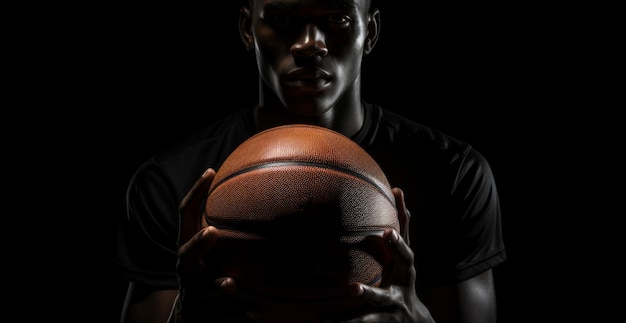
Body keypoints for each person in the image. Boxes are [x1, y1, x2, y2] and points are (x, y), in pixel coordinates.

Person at [113, 0, 507, 322]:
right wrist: (186, 313)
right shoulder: (168, 180)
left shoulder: (454, 173)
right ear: (248, 28)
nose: (309, 43)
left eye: (336, 18)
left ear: (369, 32)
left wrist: (415, 320)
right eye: (283, 19)